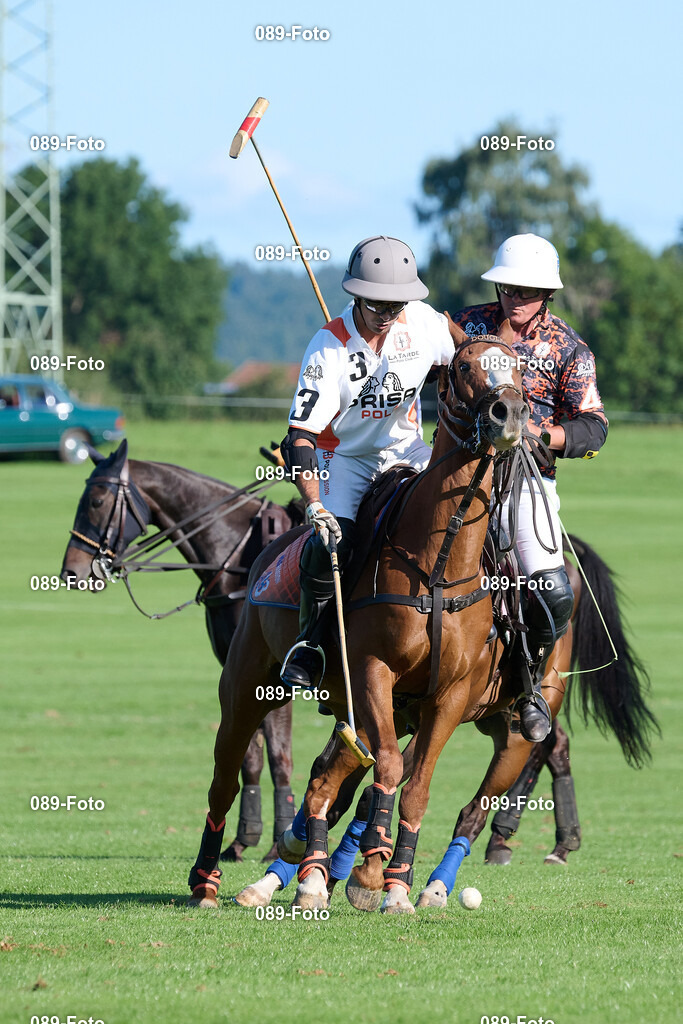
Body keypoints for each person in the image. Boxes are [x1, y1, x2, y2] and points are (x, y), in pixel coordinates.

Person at [451, 233, 608, 741]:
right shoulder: (466, 325)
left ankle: (531, 684)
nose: (515, 298)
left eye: (527, 290)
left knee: (551, 585)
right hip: (457, 470)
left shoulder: (569, 348)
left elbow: (594, 425)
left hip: (525, 480)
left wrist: (549, 435)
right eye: (507, 288)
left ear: (547, 294)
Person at [279, 235, 455, 689]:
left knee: (459, 515)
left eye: (397, 305)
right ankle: (312, 643)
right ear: (356, 294)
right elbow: (299, 436)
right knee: (331, 544)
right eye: (378, 305)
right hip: (345, 458)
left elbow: (466, 356)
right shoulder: (327, 347)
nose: (388, 315)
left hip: (408, 451)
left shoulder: (422, 322)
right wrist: (314, 504)